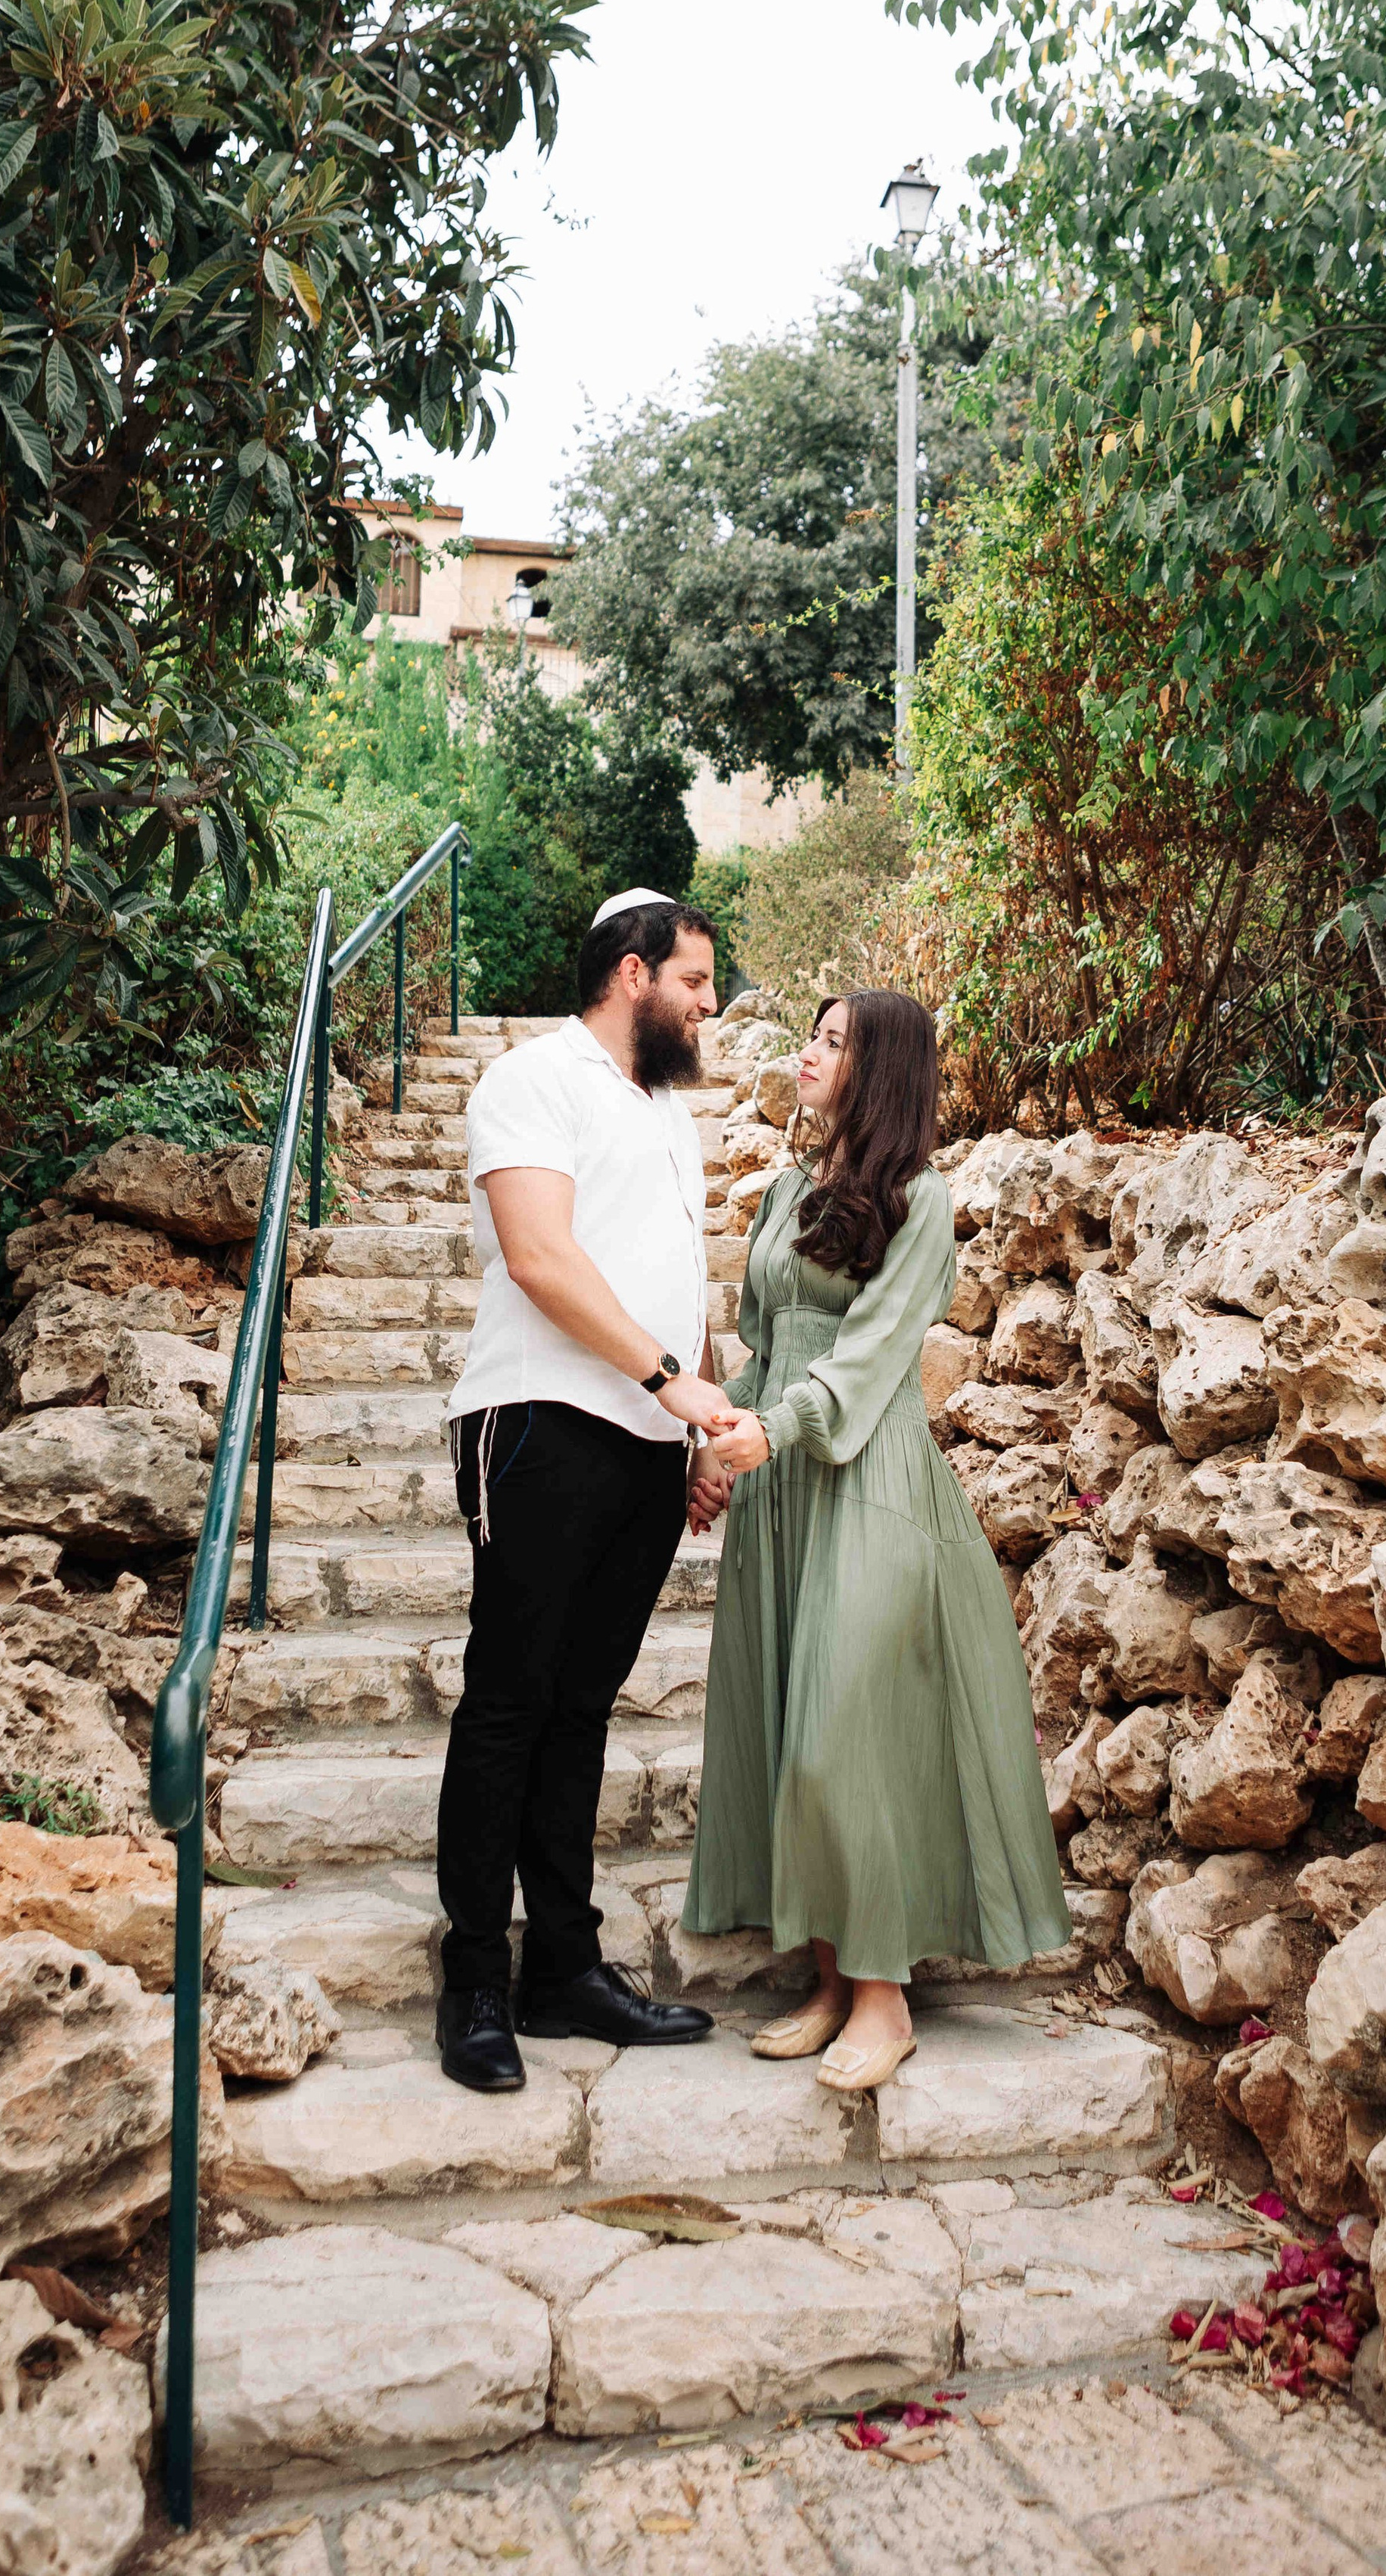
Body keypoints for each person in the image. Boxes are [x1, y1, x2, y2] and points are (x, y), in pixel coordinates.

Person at [682, 989, 1071, 2092]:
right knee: (785, 1728)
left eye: (833, 1041)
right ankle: (827, 1978)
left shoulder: (923, 1199)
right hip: (780, 1486)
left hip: (868, 1478)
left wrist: (777, 1425)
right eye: (809, 1035)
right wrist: (718, 1446)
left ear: (882, 1068)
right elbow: (764, 1344)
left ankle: (886, 2000)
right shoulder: (789, 1193)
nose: (808, 1054)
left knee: (844, 1737)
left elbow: (868, 1359)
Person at [433, 887, 732, 2094]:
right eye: (696, 982)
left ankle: (564, 1966)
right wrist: (673, 1383)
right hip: (537, 1423)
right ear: (630, 970)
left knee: (586, 1705)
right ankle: (473, 1982)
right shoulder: (531, 1080)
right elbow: (539, 1256)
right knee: (510, 1700)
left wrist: (697, 1427)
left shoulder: (668, 1113)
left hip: (650, 1443)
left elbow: (682, 1277)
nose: (709, 1006)